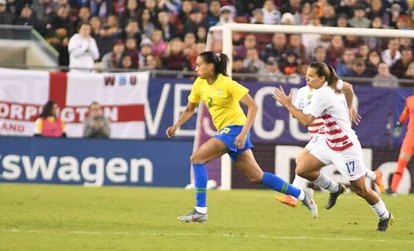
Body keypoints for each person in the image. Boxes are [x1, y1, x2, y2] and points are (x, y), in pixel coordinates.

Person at [166, 52, 317, 223]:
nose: (195, 68)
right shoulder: (199, 84)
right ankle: (302, 194)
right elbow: (189, 109)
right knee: (256, 176)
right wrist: (176, 125)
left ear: (210, 66)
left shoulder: (228, 84)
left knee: (197, 158)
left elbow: (253, 106)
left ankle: (200, 210)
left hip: (235, 129)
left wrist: (243, 133)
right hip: (228, 131)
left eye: (199, 64)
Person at [274, 62, 394, 232]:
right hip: (329, 143)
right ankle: (335, 188)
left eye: (311, 76)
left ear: (321, 78)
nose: (307, 78)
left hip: (346, 148)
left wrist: (288, 104)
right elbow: (349, 88)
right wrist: (350, 108)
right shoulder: (333, 83)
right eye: (307, 74)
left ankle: (384, 215)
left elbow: (307, 121)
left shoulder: (323, 95)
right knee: (302, 169)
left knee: (361, 190)